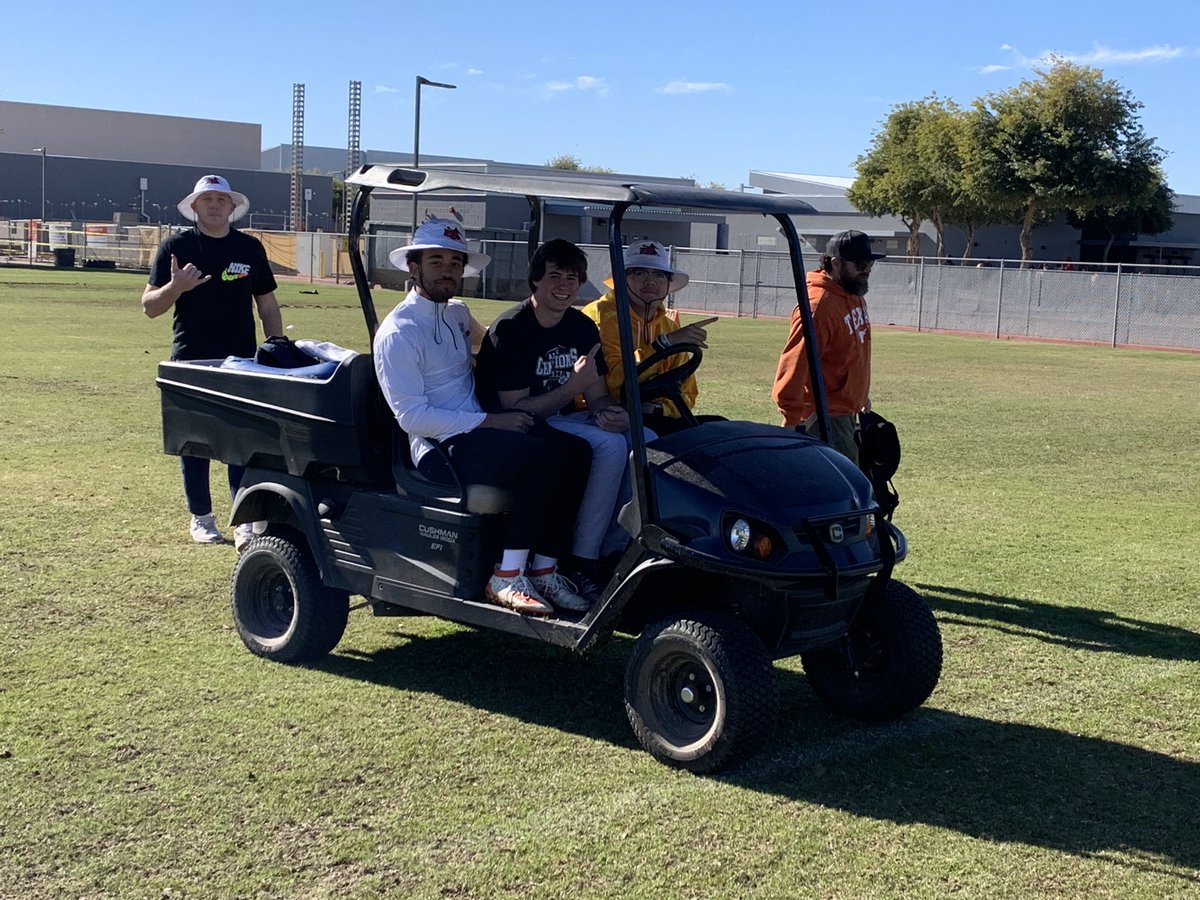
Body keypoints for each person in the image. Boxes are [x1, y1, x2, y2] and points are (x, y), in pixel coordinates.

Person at [373, 219, 592, 617]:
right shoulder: (398, 332)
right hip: (438, 446)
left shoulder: (456, 313)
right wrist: (492, 421)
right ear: (413, 267)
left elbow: (489, 343)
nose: (447, 271)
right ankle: (506, 574)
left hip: (476, 429)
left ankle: (543, 568)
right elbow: (412, 418)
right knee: (543, 457)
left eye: (455, 263)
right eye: (436, 261)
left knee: (576, 451)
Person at [475, 239, 646, 602]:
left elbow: (595, 392)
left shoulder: (580, 327)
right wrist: (573, 387)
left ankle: (620, 548)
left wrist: (607, 411)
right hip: (513, 426)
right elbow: (518, 408)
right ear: (536, 279)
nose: (564, 286)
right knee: (609, 446)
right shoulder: (512, 329)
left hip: (562, 416)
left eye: (572, 278)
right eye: (555, 276)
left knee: (645, 436)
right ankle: (583, 559)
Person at [141, 174, 283, 548]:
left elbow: (266, 303)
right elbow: (149, 307)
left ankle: (243, 522)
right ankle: (201, 518)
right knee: (195, 443)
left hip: (240, 360)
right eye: (208, 200)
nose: (216, 205)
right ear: (195, 207)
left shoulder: (249, 249)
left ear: (233, 207)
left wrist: (277, 346)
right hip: (191, 358)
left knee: (241, 443)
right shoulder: (176, 247)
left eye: (222, 199)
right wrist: (177, 287)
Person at [582, 240, 720, 435]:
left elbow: (687, 394)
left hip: (648, 416)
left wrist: (656, 409)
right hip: (602, 415)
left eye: (659, 274)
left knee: (717, 429)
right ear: (623, 279)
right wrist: (663, 344)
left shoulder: (668, 326)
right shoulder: (600, 317)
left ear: (668, 283)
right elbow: (615, 384)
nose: (650, 281)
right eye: (640, 273)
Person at [771, 229, 884, 464]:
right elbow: (795, 363)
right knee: (849, 490)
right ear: (836, 263)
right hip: (825, 417)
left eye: (870, 264)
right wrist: (791, 419)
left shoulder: (852, 293)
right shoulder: (818, 306)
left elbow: (852, 352)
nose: (867, 270)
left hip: (845, 412)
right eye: (861, 264)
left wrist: (860, 395)